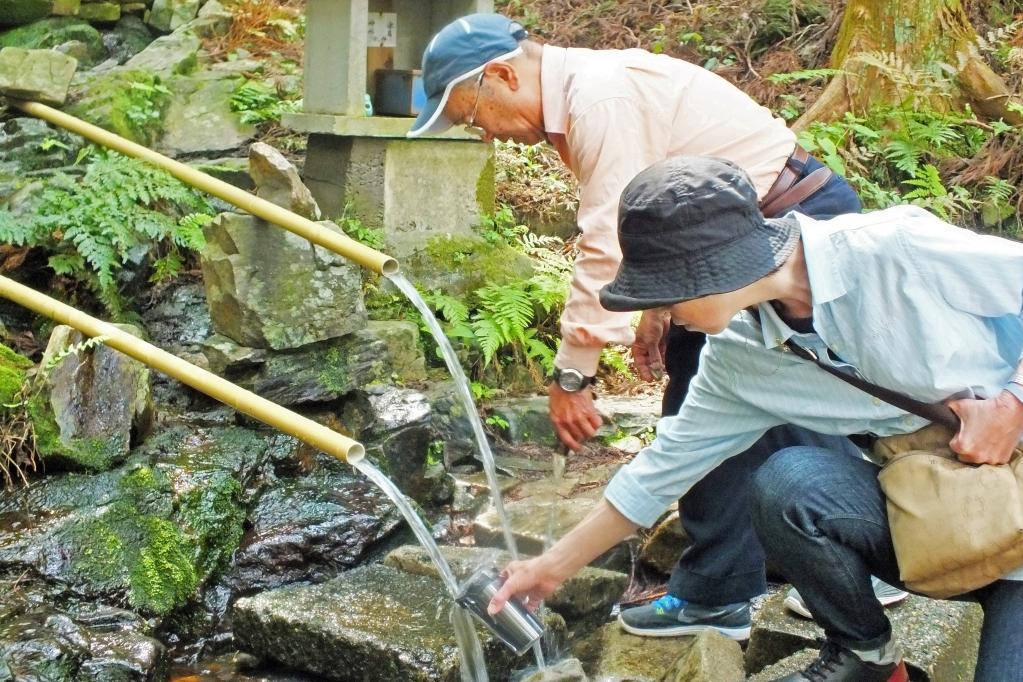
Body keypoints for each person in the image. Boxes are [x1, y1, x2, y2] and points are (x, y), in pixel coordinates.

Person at [408, 12, 904, 638]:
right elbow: (658, 213)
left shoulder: (599, 98)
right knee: (716, 395)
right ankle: (723, 589)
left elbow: (607, 240)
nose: (483, 135)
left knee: (781, 398)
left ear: (502, 75)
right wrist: (657, 309)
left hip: (782, 232)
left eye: (470, 114)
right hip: (727, 246)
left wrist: (573, 372)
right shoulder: (586, 94)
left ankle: (849, 564)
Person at [487, 155, 1023, 681]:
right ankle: (871, 659)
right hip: (945, 512)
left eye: (665, 294)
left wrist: (1012, 405)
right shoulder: (739, 355)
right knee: (788, 484)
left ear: (711, 273)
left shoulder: (893, 249)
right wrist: (549, 568)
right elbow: (659, 471)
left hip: (1012, 502)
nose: (662, 313)